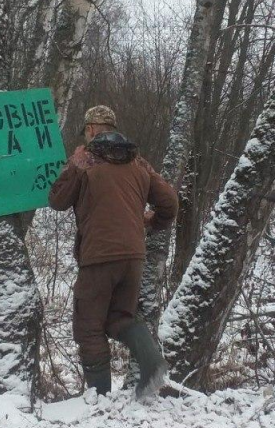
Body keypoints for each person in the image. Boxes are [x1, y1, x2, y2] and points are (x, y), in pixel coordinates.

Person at [48, 105, 179, 398]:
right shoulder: (138, 163)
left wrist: (74, 167)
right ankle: (152, 363)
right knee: (119, 318)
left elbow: (57, 200)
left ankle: (99, 397)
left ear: (92, 129)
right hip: (134, 256)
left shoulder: (87, 161)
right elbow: (169, 201)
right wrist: (152, 222)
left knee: (88, 327)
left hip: (99, 255)